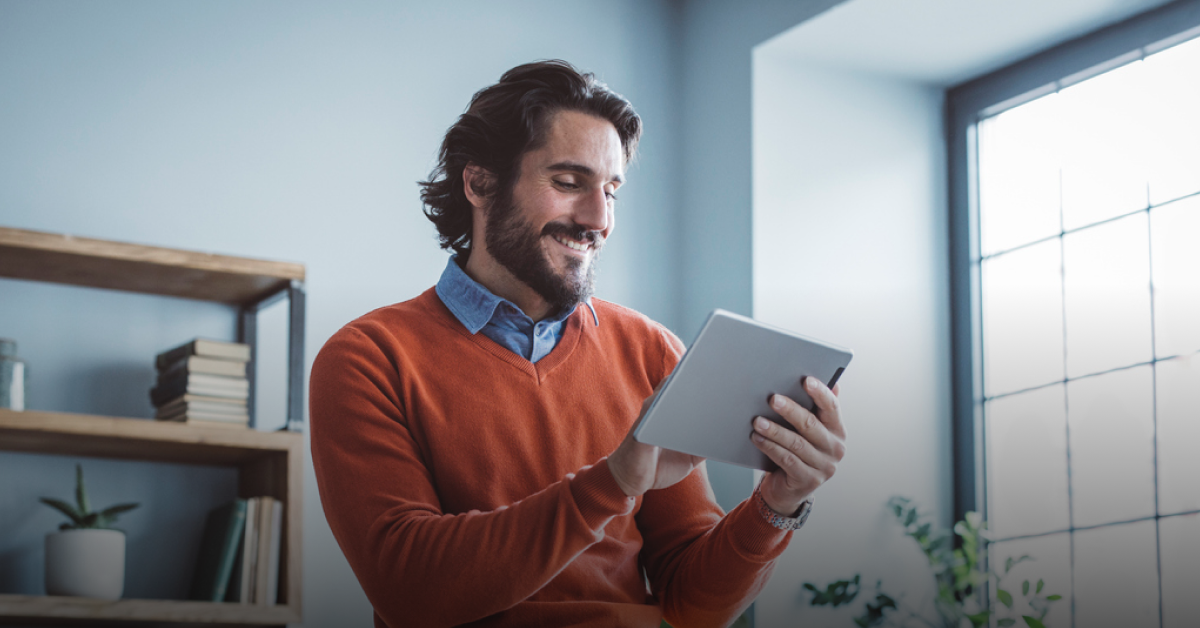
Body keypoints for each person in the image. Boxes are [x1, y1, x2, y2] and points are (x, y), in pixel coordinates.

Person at [309, 60, 846, 628]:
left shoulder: (651, 351)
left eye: (610, 190)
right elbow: (409, 590)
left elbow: (693, 605)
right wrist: (611, 485)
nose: (598, 218)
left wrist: (777, 504)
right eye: (568, 183)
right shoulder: (367, 359)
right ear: (480, 182)